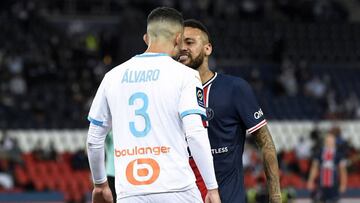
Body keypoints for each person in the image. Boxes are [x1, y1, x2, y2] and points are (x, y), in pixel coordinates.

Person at [86, 7, 221, 203]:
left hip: (130, 192)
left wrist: (100, 185)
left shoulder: (112, 77)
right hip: (177, 189)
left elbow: (93, 139)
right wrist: (212, 188)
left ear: (146, 39)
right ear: (178, 39)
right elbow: (195, 133)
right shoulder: (185, 75)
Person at [177, 19, 281, 203]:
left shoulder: (235, 88)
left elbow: (265, 143)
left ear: (207, 48)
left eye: (190, 42)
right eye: (179, 43)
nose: (183, 48)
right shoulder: (169, 93)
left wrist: (275, 196)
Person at [307, 132, 347, 203]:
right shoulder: (319, 153)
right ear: (325, 142)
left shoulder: (339, 154)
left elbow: (342, 170)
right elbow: (314, 168)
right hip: (321, 184)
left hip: (334, 184)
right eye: (328, 141)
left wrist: (343, 184)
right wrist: (311, 180)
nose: (329, 143)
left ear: (334, 142)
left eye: (331, 141)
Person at [105, 131, 116, 203]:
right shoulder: (111, 134)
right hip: (111, 173)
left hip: (123, 173)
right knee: (113, 198)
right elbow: (103, 134)